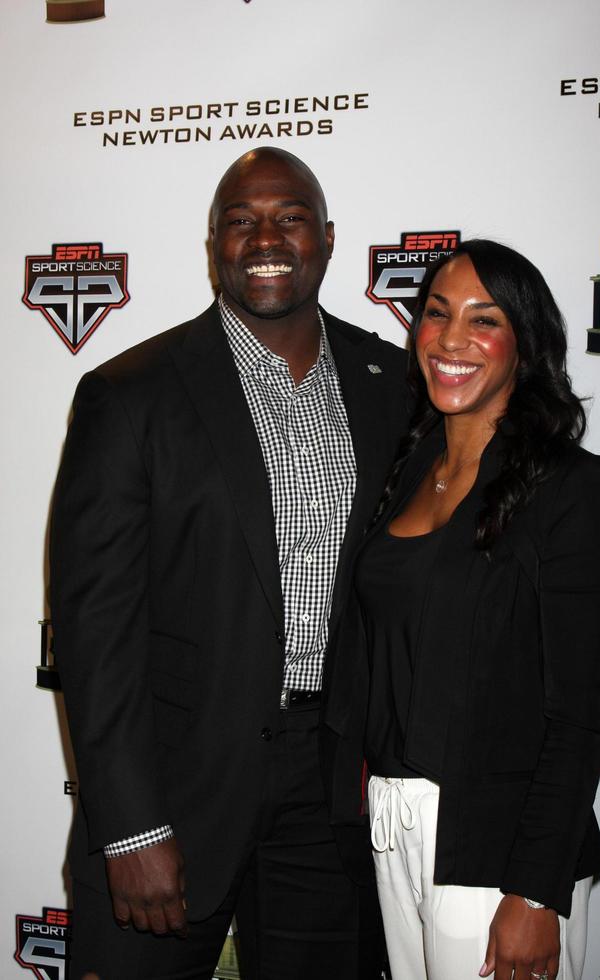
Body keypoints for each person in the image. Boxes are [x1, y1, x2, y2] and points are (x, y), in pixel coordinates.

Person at [50, 146, 410, 979]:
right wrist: (131, 828)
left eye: (288, 217)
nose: (265, 237)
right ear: (213, 244)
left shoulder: (391, 383)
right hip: (176, 787)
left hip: (334, 796)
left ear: (326, 237)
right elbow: (96, 631)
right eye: (240, 222)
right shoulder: (131, 392)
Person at [322, 240, 600, 980]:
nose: (452, 339)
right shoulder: (406, 470)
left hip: (497, 845)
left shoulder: (574, 490)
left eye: (483, 320)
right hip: (390, 828)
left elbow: (580, 716)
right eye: (435, 314)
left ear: (525, 347)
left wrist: (534, 890)